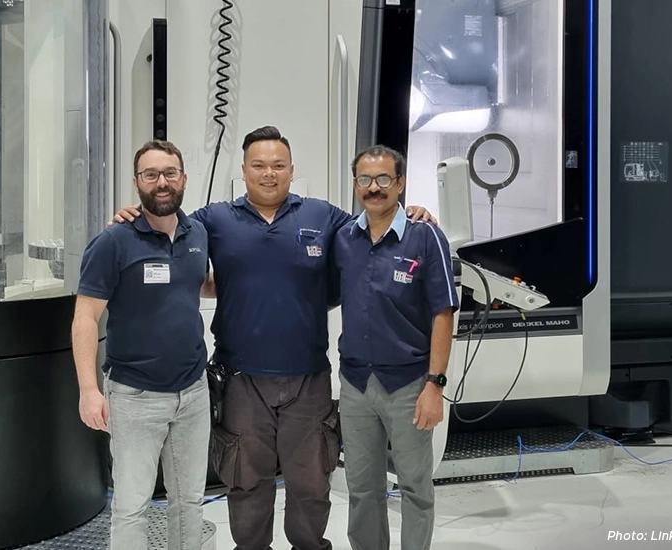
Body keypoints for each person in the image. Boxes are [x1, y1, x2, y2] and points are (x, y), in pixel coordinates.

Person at [110, 126, 434, 550]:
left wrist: (413, 214)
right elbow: (165, 221)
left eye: (278, 165)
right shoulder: (214, 220)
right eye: (259, 166)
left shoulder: (323, 216)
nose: (269, 174)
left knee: (311, 483)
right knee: (246, 483)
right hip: (241, 380)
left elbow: (373, 221)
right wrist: (129, 217)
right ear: (243, 170)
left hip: (308, 380)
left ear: (291, 170)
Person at [72, 139, 212, 550]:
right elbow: (85, 317)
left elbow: (195, 284)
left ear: (184, 178)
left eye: (169, 173)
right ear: (137, 183)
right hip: (135, 395)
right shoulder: (113, 242)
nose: (162, 182)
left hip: (193, 392)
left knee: (189, 501)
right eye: (151, 175)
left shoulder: (197, 232)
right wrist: (88, 390)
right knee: (132, 505)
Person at [330, 145, 456, 550]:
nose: (374, 188)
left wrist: (434, 386)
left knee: (415, 486)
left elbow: (443, 313)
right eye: (365, 180)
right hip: (355, 384)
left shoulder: (425, 236)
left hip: (409, 386)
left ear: (400, 183)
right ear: (355, 185)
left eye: (384, 179)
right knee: (362, 489)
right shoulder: (344, 238)